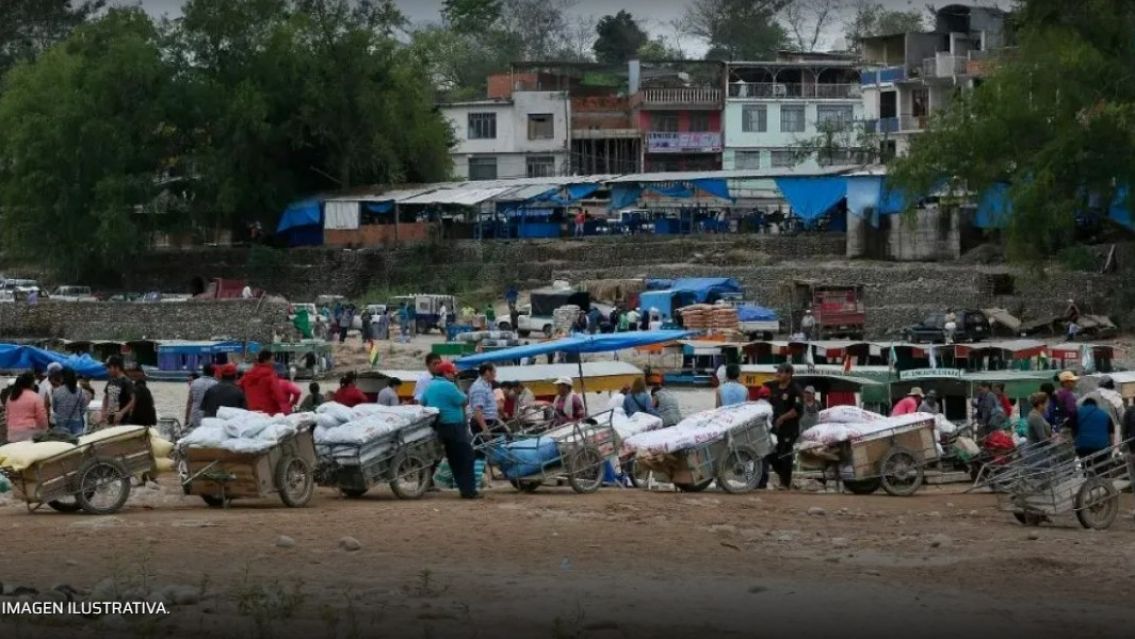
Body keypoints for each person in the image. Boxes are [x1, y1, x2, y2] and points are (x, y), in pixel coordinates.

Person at [421, 361, 479, 499]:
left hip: (437, 426)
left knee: (450, 458)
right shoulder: (449, 385)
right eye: (453, 373)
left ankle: (463, 489)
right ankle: (468, 491)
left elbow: (422, 402)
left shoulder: (429, 385)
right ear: (446, 373)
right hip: (453, 426)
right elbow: (463, 400)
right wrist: (457, 387)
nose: (454, 375)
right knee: (465, 457)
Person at [760, 363, 803, 491]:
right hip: (775, 428)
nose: (777, 374)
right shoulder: (774, 386)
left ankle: (785, 483)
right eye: (777, 371)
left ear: (789, 374)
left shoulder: (795, 389)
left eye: (781, 371)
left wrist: (782, 418)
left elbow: (797, 410)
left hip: (789, 428)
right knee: (771, 454)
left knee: (786, 454)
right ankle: (783, 477)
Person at [240, 350, 287, 414]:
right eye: (272, 359)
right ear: (265, 360)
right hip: (268, 410)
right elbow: (278, 393)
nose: (273, 362)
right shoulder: (270, 374)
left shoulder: (249, 373)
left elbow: (240, 386)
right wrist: (286, 410)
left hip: (251, 409)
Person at [5, 372, 48, 441]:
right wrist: (45, 429)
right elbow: (41, 417)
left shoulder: (11, 397)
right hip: (29, 433)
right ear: (31, 384)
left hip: (12, 433)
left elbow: (7, 416)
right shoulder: (36, 397)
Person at [1074, 397, 1113, 466]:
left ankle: (1087, 471)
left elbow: (1073, 429)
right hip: (1101, 447)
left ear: (1083, 405)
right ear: (1096, 405)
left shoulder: (1077, 414)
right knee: (1101, 467)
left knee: (1086, 466)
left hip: (1083, 448)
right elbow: (1111, 434)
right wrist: (1111, 448)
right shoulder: (1105, 414)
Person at [52, 367, 90, 436]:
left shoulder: (57, 392)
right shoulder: (81, 392)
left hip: (61, 426)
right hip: (77, 426)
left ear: (63, 377)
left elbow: (54, 408)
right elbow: (83, 410)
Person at [468, 363, 500, 442]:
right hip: (483, 423)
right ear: (487, 372)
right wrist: (485, 429)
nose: (495, 375)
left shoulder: (487, 385)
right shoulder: (479, 387)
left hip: (490, 422)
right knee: (486, 447)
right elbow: (477, 410)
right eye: (494, 372)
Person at [102, 356, 135, 426]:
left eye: (109, 368)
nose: (107, 370)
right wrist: (104, 411)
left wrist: (122, 412)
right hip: (111, 419)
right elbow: (106, 397)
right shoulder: (111, 380)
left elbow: (133, 400)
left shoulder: (127, 382)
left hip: (123, 420)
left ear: (117, 368)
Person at [185, 363, 218, 431]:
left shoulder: (194, 383)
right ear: (214, 372)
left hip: (196, 415)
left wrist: (186, 419)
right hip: (210, 417)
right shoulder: (216, 384)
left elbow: (189, 403)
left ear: (203, 371)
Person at [1053, 371, 1080, 437]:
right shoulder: (1068, 394)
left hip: (1059, 425)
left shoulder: (1058, 392)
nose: (1075, 383)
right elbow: (1072, 411)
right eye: (1072, 381)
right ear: (1066, 383)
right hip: (1068, 427)